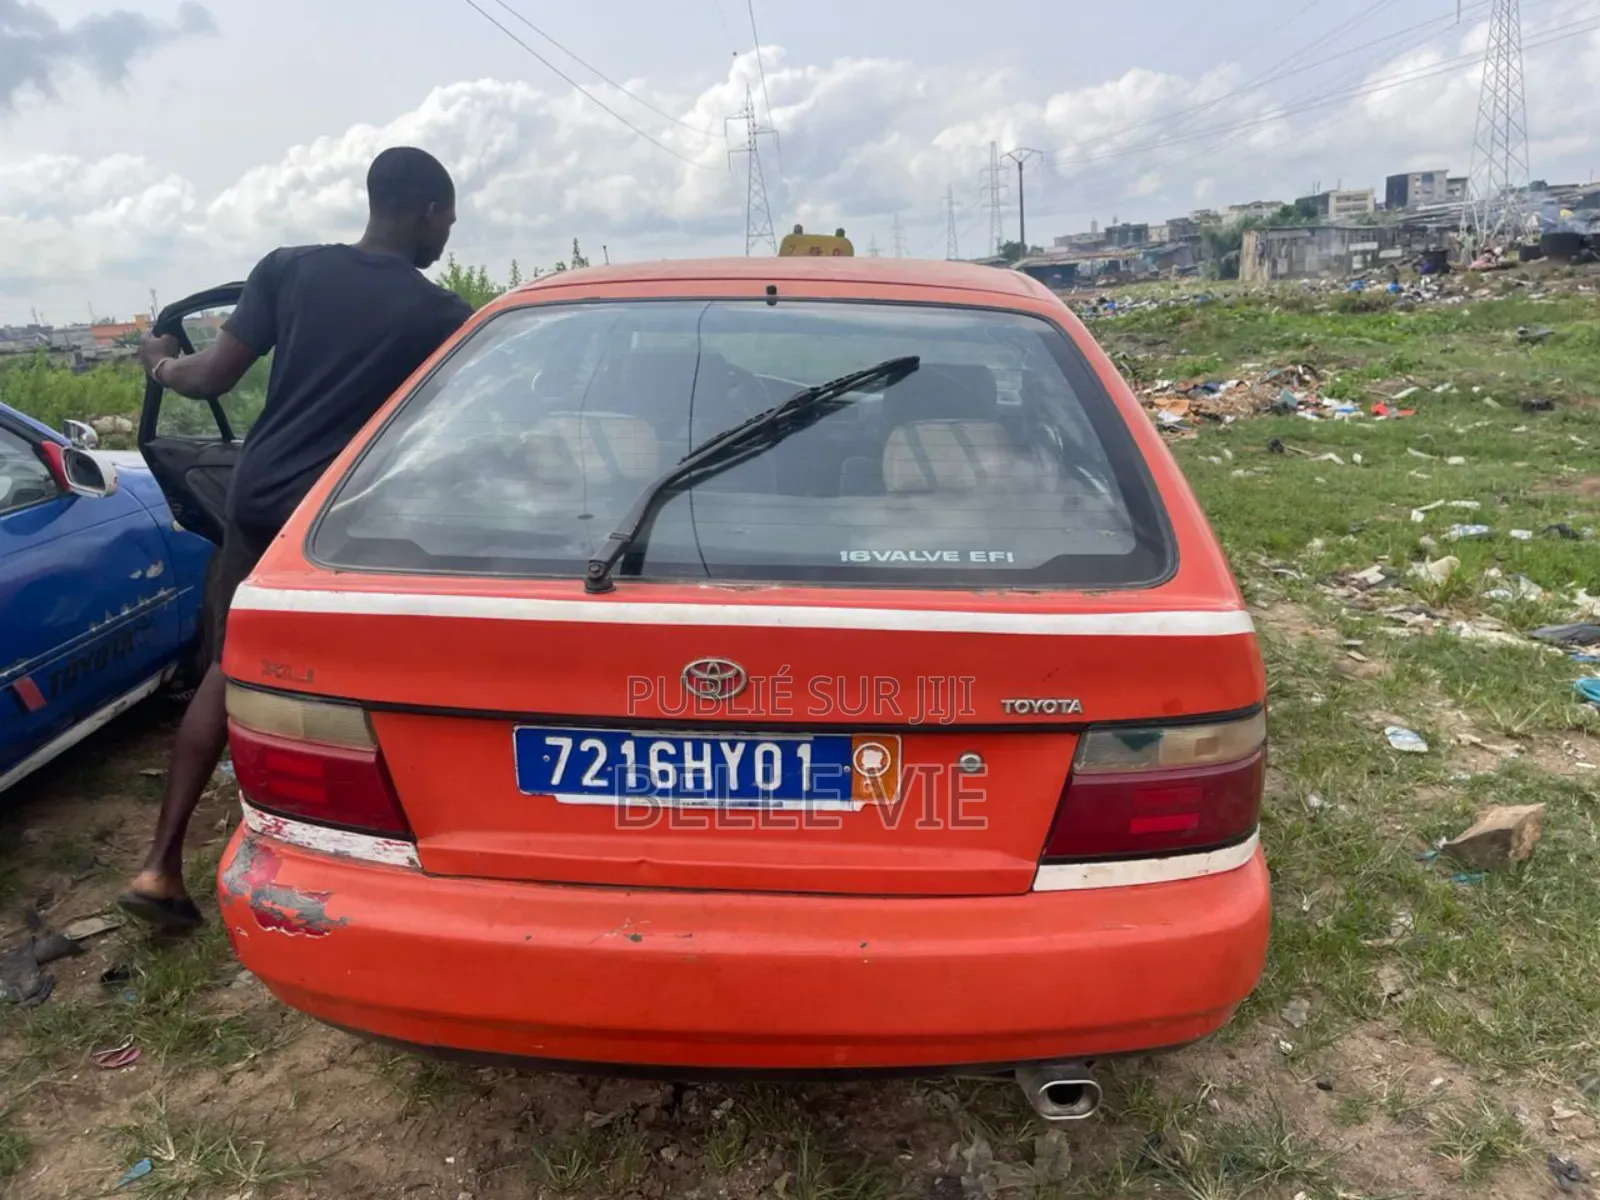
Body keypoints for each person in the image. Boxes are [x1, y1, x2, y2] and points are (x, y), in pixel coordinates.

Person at [118, 146, 474, 931]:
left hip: (257, 495)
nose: (448, 232)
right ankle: (379, 855)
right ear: (427, 211)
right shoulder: (442, 317)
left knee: (226, 666)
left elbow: (209, 377)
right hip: (343, 514)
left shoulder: (290, 270)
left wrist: (159, 365)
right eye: (448, 217)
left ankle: (160, 866)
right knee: (365, 669)